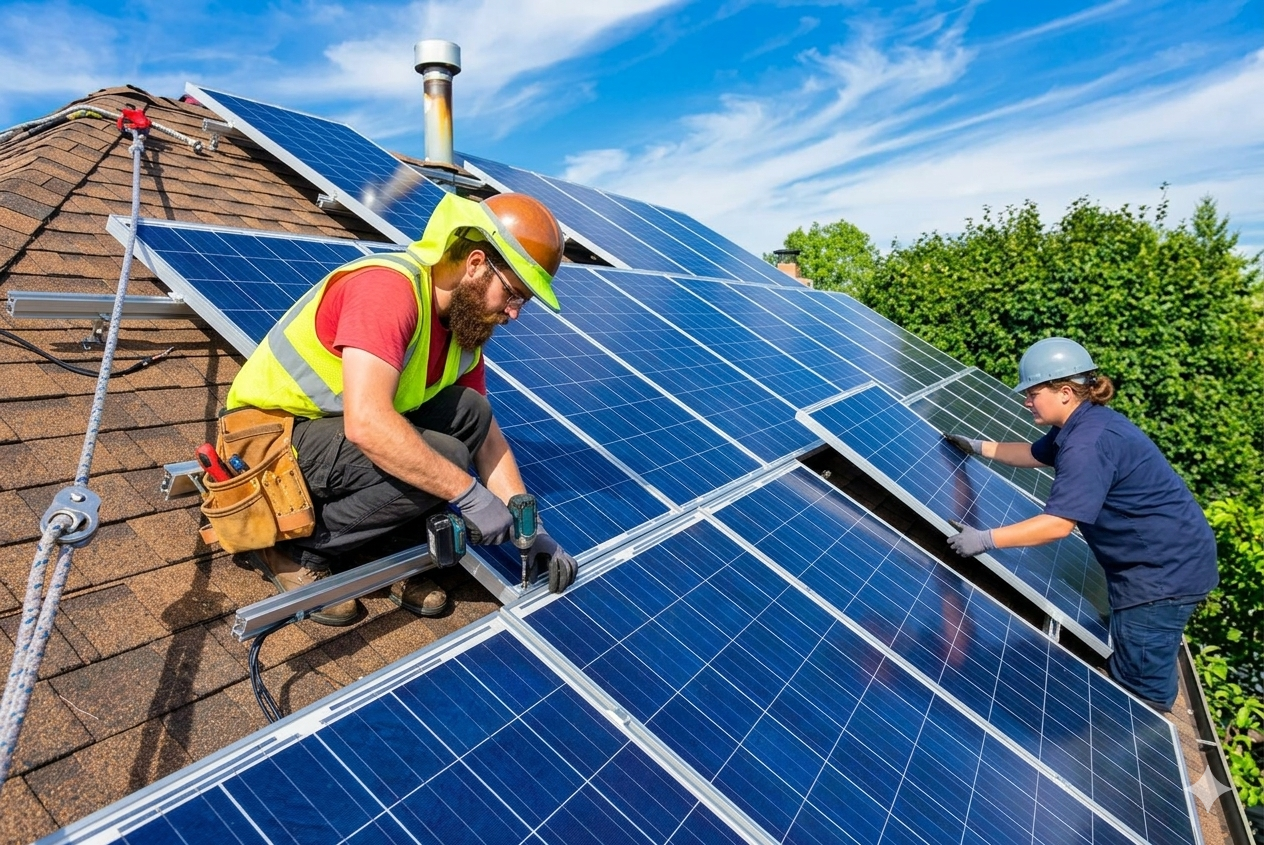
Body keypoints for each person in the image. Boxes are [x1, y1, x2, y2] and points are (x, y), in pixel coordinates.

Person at [224, 191, 578, 625]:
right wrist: (467, 494)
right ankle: (295, 546)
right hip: (269, 446)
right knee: (445, 463)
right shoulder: (388, 291)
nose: (514, 313)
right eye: (514, 294)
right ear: (476, 264)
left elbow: (485, 434)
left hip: (326, 444)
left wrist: (529, 525)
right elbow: (369, 424)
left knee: (469, 411)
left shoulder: (460, 329)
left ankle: (379, 541)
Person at [944, 337, 1217, 712]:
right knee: (1134, 652)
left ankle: (1140, 746)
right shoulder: (1082, 423)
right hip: (1160, 560)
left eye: (1033, 392)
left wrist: (985, 539)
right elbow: (1033, 453)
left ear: (1066, 392)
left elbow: (1056, 525)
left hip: (1163, 577)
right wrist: (977, 446)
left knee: (1140, 684)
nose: (1026, 401)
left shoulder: (1088, 442)